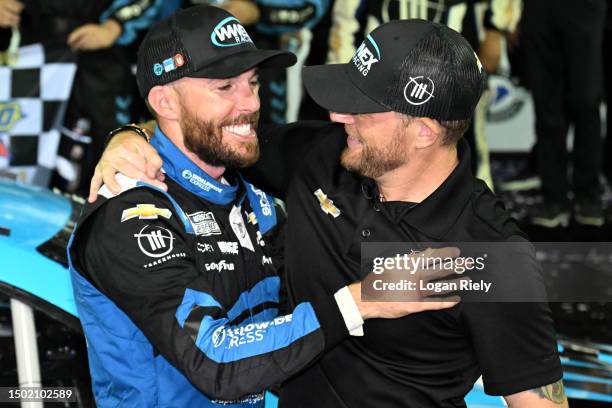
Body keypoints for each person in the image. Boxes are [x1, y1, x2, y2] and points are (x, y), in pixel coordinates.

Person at [93, 18, 566, 407]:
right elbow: (209, 130)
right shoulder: (322, 156)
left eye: (361, 108)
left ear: (423, 131)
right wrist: (130, 136)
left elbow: (540, 403)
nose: (339, 116)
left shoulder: (489, 256)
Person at [522, 0, 607, 227]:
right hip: (539, 8)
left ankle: (588, 195)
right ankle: (554, 197)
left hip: (585, 7)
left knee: (587, 100)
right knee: (546, 103)